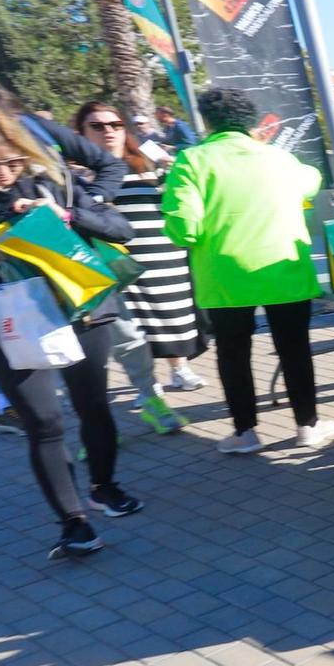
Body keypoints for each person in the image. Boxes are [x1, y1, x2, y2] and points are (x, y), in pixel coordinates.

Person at [0, 106, 144, 558]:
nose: (3, 174)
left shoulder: (49, 180)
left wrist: (68, 214)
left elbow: (121, 227)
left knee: (94, 406)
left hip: (80, 305)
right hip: (10, 319)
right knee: (45, 422)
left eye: (12, 163)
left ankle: (104, 487)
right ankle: (73, 523)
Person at [162, 88, 334, 454]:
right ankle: (307, 426)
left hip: (225, 276)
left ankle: (245, 432)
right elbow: (312, 180)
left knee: (232, 354)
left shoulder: (191, 161)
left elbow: (184, 229)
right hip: (284, 270)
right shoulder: (279, 158)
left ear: (207, 122)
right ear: (250, 122)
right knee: (294, 350)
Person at [72, 100, 196, 432]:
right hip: (106, 267)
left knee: (168, 320)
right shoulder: (73, 176)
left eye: (114, 125)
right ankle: (148, 397)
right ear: (79, 134)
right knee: (126, 336)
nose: (108, 132)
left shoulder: (147, 161)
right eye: (97, 126)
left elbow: (176, 197)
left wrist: (174, 171)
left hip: (158, 255)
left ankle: (177, 370)